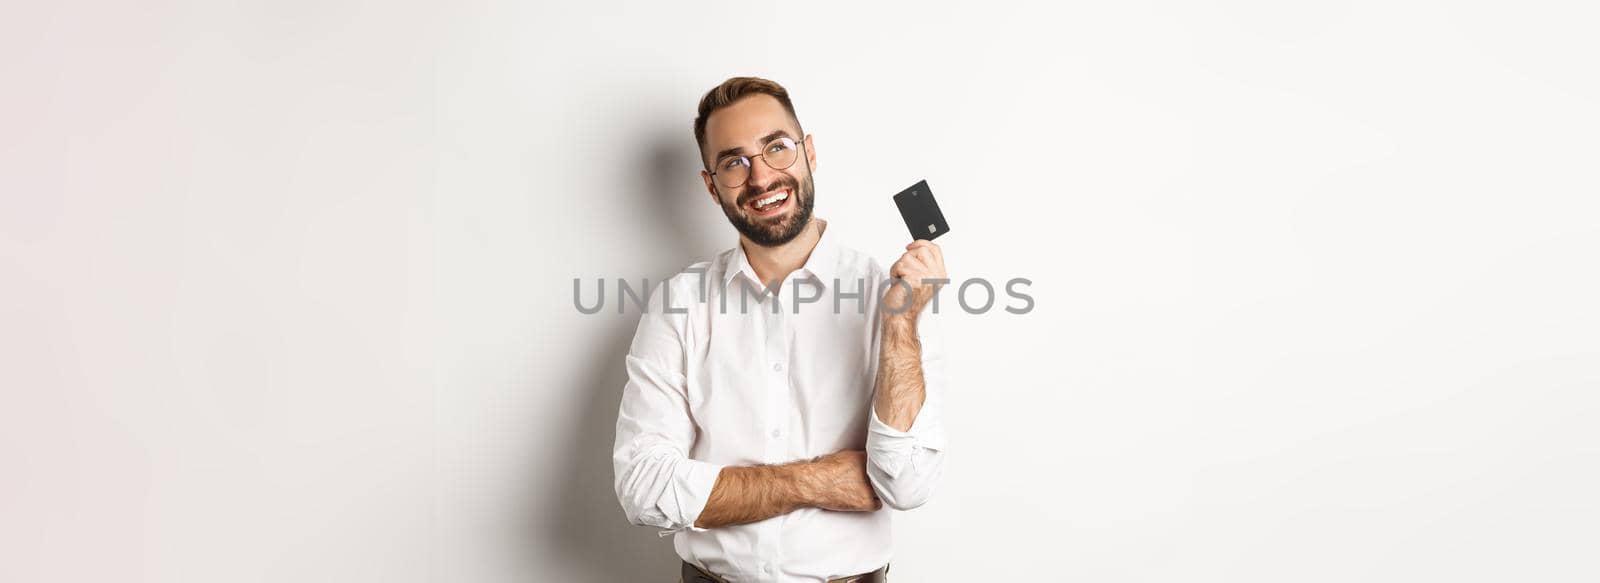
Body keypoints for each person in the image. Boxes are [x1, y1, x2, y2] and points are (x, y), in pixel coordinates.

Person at [612, 76, 949, 583]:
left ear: (809, 152)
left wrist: (901, 325)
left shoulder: (895, 297)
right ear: (711, 185)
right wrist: (817, 481)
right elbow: (643, 487)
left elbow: (905, 484)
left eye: (776, 148)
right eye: (734, 162)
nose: (761, 176)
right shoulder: (678, 304)